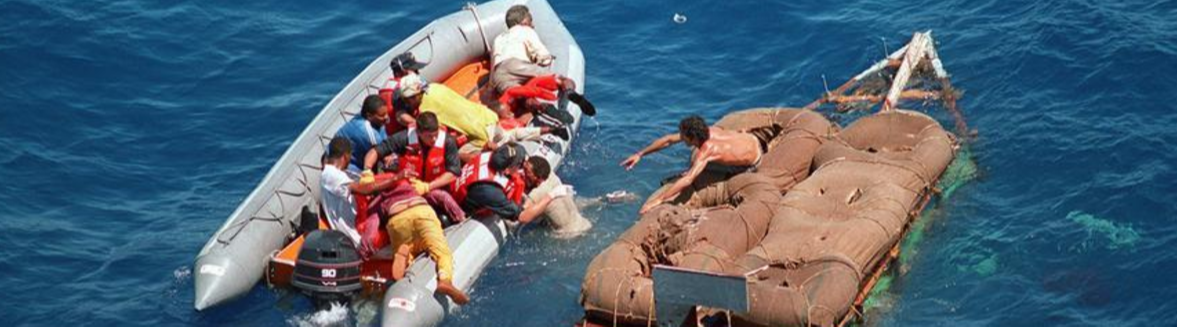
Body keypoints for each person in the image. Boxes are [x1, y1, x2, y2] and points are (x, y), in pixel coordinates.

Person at [397, 73, 568, 162]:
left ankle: (493, 155)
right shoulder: (435, 87)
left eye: (408, 100)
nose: (407, 103)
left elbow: (436, 131)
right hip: (487, 116)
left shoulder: (426, 108)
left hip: (480, 134)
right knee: (511, 134)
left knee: (458, 154)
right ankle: (549, 129)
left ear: (414, 96)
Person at [621, 115, 769, 214]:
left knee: (696, 166)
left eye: (683, 136)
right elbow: (668, 140)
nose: (681, 138)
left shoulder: (707, 150)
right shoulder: (710, 130)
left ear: (692, 137)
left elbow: (689, 179)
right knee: (697, 161)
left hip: (752, 163)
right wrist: (639, 154)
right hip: (752, 139)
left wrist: (658, 200)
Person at [491, 5, 595, 116]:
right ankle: (570, 92)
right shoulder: (525, 30)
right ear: (523, 22)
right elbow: (544, 58)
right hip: (517, 65)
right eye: (530, 20)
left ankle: (540, 106)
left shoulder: (498, 39)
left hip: (499, 74)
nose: (533, 25)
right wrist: (544, 60)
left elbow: (494, 68)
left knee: (521, 96)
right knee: (561, 79)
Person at [362, 112, 466, 223]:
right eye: (429, 136)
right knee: (375, 208)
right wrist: (367, 170)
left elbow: (454, 172)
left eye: (436, 134)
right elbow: (375, 151)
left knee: (443, 197)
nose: (434, 139)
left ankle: (462, 219)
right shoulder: (404, 138)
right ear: (419, 133)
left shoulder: (448, 141)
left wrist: (427, 186)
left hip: (434, 186)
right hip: (407, 188)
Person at [379, 180, 471, 305]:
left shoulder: (380, 198)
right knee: (441, 253)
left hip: (397, 219)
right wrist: (460, 217)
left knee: (410, 251)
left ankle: (406, 261)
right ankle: (445, 281)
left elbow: (372, 224)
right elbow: (441, 196)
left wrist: (364, 250)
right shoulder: (413, 184)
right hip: (421, 211)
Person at [319, 136, 410, 253]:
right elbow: (364, 189)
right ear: (346, 156)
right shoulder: (331, 175)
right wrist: (396, 178)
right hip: (357, 238)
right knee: (400, 233)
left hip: (361, 219)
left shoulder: (335, 173)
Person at [452, 143, 571, 224]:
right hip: (463, 205)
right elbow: (523, 217)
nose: (522, 166)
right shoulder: (491, 192)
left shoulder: (487, 156)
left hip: (468, 186)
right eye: (519, 165)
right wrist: (552, 195)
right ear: (507, 170)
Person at [335, 95, 389, 172]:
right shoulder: (366, 132)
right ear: (369, 116)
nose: (386, 117)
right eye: (382, 115)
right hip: (344, 165)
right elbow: (381, 151)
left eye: (386, 113)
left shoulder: (369, 118)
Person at [380, 52, 429, 134]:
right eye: (415, 71)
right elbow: (401, 116)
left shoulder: (388, 85)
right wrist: (422, 127)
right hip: (402, 131)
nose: (418, 73)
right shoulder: (402, 89)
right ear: (404, 72)